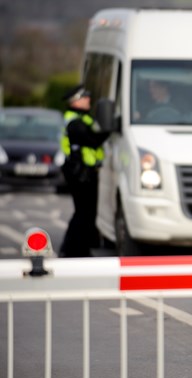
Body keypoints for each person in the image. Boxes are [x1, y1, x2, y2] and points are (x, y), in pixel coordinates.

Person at [58, 84, 110, 258]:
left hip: (84, 172)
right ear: (76, 101)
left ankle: (75, 249)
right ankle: (74, 250)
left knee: (84, 212)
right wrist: (110, 128)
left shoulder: (82, 119)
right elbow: (93, 140)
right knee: (83, 213)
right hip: (80, 173)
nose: (89, 99)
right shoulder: (75, 123)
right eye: (85, 97)